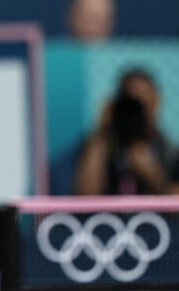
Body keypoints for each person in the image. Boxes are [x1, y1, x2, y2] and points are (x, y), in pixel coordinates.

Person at [73, 68, 179, 196]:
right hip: (108, 216)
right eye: (130, 103)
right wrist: (101, 132)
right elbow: (85, 197)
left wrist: (152, 173)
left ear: (156, 101)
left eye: (141, 101)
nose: (136, 111)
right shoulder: (100, 146)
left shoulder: (170, 152)